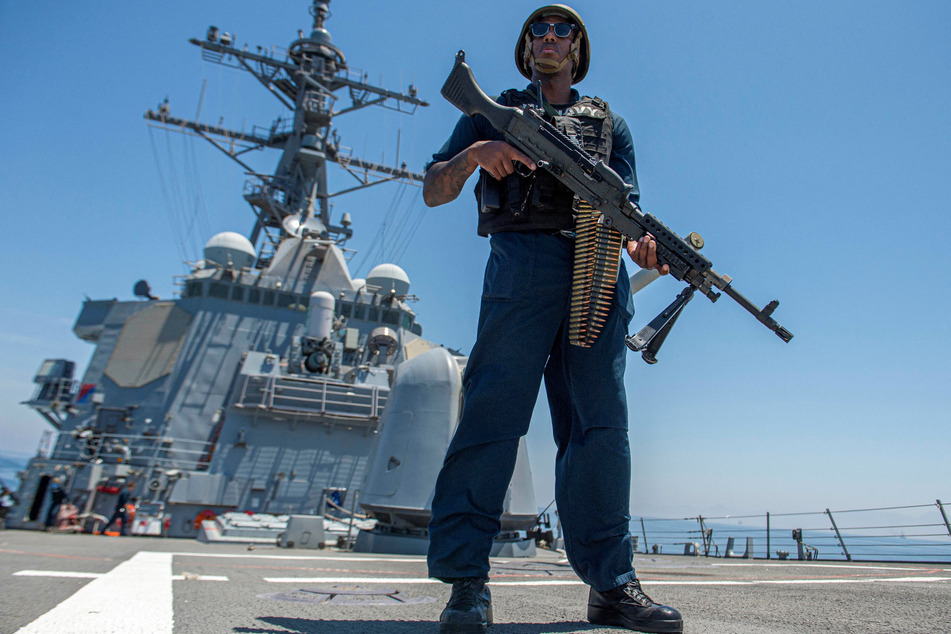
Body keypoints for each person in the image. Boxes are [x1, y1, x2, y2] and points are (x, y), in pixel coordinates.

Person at [423, 5, 682, 633]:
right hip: (522, 265)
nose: (549, 37)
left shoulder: (611, 126)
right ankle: (466, 584)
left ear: (578, 48)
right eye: (538, 29)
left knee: (600, 429)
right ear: (525, 46)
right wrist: (477, 153)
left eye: (562, 29)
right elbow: (434, 187)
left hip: (596, 267)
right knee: (492, 417)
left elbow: (628, 212)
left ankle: (612, 585)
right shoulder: (490, 112)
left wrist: (646, 247)